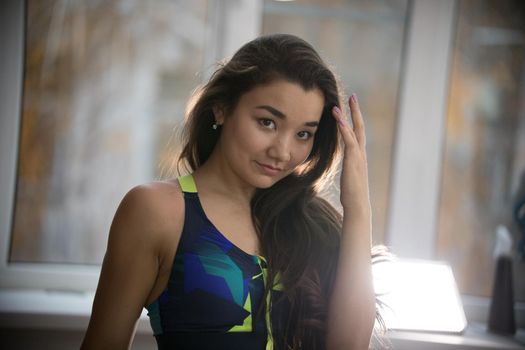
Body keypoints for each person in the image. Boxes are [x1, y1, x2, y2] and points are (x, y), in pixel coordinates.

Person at [81, 33, 383, 350]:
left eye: (303, 133)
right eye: (267, 122)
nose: (283, 151)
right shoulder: (157, 211)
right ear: (222, 108)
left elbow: (349, 346)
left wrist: (358, 206)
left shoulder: (315, 224)